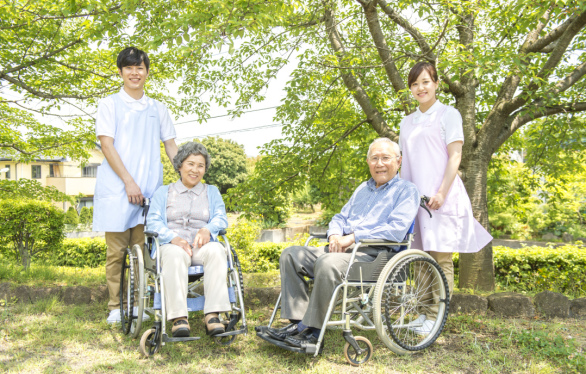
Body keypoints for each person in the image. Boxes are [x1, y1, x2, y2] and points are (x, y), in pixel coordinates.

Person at [264, 138, 419, 350]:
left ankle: (312, 331)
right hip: (343, 249)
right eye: (374, 158)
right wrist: (335, 234)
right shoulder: (362, 190)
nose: (379, 163)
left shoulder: (406, 191)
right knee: (291, 255)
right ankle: (297, 324)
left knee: (328, 263)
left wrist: (354, 237)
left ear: (398, 161)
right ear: (368, 162)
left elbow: (396, 229)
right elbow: (340, 217)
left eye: (385, 158)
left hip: (375, 255)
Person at [399, 61, 492, 334]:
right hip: (415, 199)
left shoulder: (448, 114)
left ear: (436, 83)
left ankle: (435, 317)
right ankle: (422, 313)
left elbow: (455, 156)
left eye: (425, 81)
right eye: (415, 84)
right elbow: (406, 162)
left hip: (442, 196)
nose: (420, 88)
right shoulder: (406, 122)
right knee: (419, 258)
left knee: (440, 258)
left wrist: (441, 192)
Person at [93, 47, 178, 324]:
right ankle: (116, 306)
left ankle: (142, 304)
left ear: (147, 72)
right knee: (117, 251)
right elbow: (107, 145)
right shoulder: (109, 104)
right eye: (129, 68)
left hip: (150, 191)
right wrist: (129, 182)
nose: (134, 72)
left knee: (146, 251)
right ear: (120, 72)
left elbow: (171, 147)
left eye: (139, 68)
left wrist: (185, 181)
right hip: (119, 189)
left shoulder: (158, 108)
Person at [146, 142, 230, 337]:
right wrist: (173, 238)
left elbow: (221, 217)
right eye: (190, 164)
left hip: (201, 246)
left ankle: (213, 314)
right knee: (175, 255)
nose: (195, 170)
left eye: (200, 165)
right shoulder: (163, 192)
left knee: (218, 251)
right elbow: (153, 222)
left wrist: (207, 228)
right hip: (171, 245)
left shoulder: (212, 191)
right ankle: (179, 318)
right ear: (180, 166)